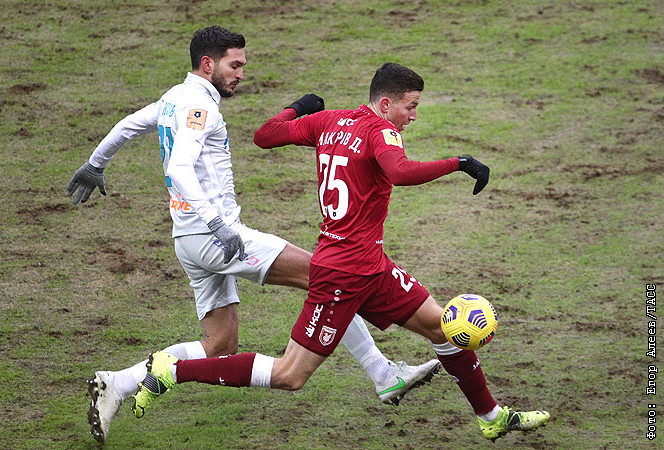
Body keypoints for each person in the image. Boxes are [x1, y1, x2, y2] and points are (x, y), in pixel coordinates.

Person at [132, 62, 551, 442]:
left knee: (442, 328)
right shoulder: (381, 131)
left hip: (373, 267)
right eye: (410, 107)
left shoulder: (329, 122)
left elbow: (265, 135)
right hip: (342, 275)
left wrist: (298, 108)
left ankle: (491, 416)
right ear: (385, 104)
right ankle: (173, 371)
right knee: (290, 374)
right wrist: (459, 163)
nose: (413, 116)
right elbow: (400, 172)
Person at [67, 28, 440, 444]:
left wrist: (95, 164)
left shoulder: (175, 97)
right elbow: (179, 168)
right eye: (235, 65)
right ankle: (382, 372)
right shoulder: (199, 107)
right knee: (328, 275)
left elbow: (128, 126)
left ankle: (117, 383)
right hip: (215, 235)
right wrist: (216, 223)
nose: (241, 73)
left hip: (187, 240)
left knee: (220, 344)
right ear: (207, 64)